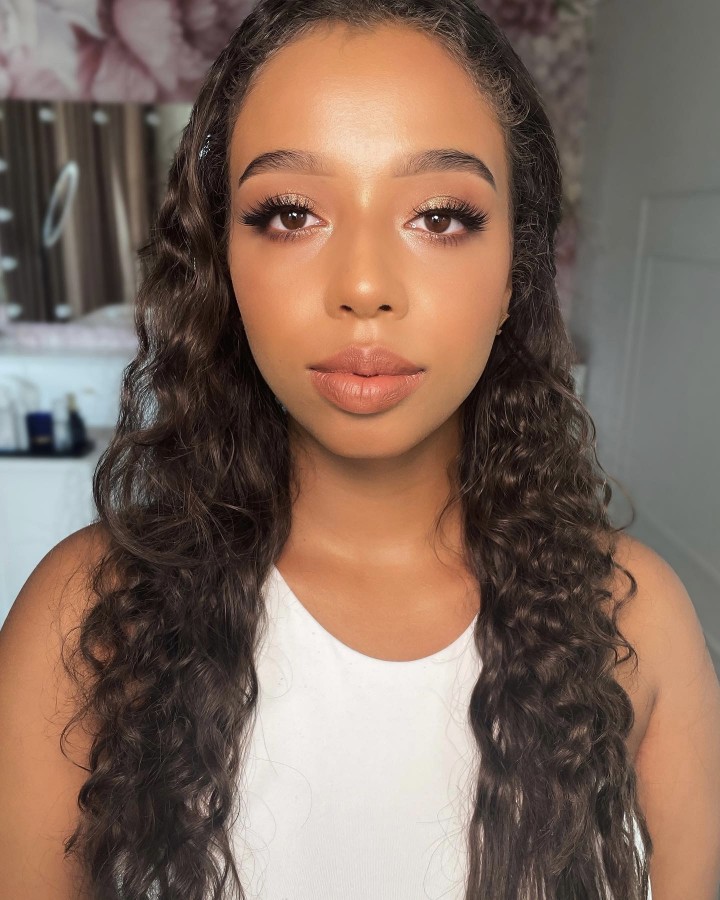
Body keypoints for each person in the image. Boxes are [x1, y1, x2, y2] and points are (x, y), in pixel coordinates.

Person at [1, 1, 719, 898]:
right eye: (291, 213)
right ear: (223, 265)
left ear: (515, 274)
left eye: (442, 217)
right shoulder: (85, 621)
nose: (366, 285)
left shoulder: (639, 622)